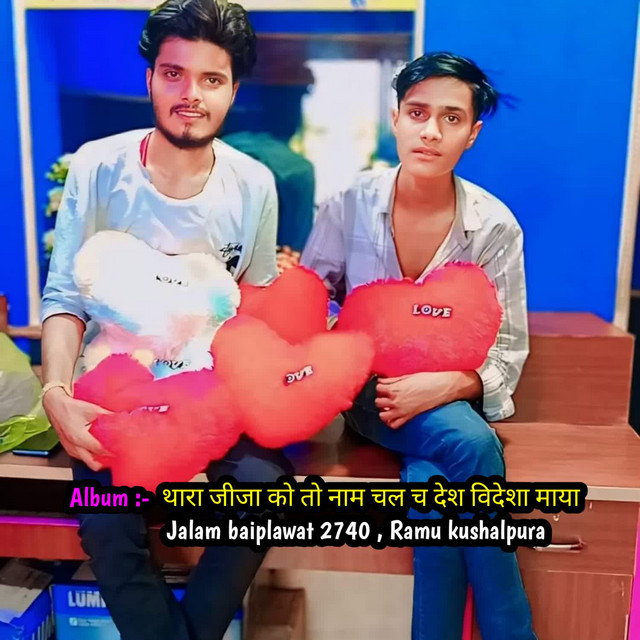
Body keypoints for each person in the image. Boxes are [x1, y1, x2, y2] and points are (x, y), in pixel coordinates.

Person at [40, 2, 292, 639]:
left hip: (213, 391)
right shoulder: (98, 166)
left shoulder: (254, 184)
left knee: (265, 492)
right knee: (105, 517)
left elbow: (254, 306)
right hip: (113, 391)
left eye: (212, 79)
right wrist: (56, 393)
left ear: (233, 90)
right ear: (150, 78)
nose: (191, 94)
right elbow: (65, 297)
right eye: (174, 74)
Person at [301, 52, 536, 640]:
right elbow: (309, 306)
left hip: (451, 398)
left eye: (450, 118)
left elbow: (508, 349)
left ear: (471, 133)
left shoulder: (494, 226)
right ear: (396, 119)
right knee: (474, 446)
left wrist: (449, 384)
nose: (430, 131)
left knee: (438, 482)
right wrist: (348, 347)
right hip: (370, 393)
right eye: (417, 113)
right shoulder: (347, 204)